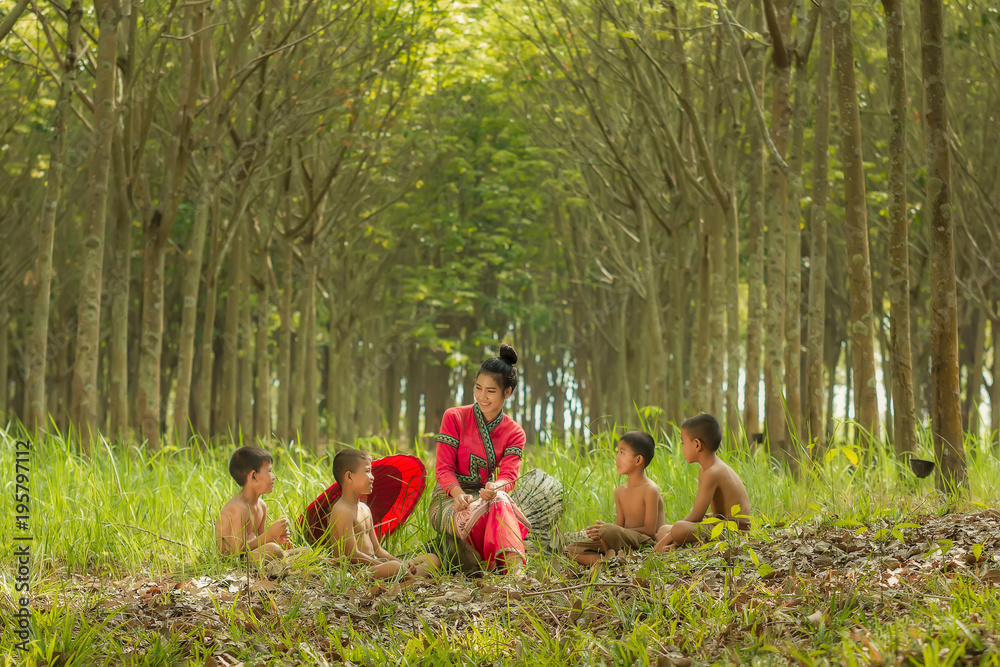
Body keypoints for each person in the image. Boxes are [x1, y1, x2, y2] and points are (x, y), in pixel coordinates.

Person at [429, 343, 530, 573]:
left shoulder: (515, 432)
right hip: (449, 500)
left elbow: (509, 476)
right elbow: (443, 469)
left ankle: (515, 573)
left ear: (507, 392)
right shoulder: (454, 417)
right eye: (478, 388)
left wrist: (495, 487)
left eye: (491, 391)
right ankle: (512, 568)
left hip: (488, 498)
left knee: (501, 500)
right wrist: (458, 494)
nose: (482, 397)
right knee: (496, 507)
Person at [326, 449, 440, 580]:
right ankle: (407, 580)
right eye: (367, 471)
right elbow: (352, 555)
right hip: (359, 572)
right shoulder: (342, 510)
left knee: (432, 558)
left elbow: (377, 549)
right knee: (396, 568)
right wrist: (388, 564)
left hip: (377, 564)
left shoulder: (365, 509)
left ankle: (407, 579)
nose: (372, 477)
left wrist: (399, 561)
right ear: (349, 477)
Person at [654, 413, 752, 551]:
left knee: (677, 529)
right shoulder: (705, 470)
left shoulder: (713, 472)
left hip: (734, 531)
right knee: (664, 530)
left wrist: (663, 541)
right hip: (717, 522)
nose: (681, 448)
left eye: (683, 443)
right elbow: (698, 518)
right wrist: (669, 535)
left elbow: (696, 515)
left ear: (697, 444)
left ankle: (675, 545)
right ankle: (679, 544)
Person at [566, 431, 665, 565]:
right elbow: (619, 527)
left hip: (645, 542)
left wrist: (609, 529)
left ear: (638, 460)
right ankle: (610, 559)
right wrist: (603, 533)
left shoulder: (650, 489)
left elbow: (650, 530)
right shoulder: (620, 491)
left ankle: (616, 556)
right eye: (618, 452)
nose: (616, 457)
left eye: (622, 453)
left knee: (609, 530)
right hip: (621, 540)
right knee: (571, 549)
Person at [215, 446, 300, 563]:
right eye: (269, 471)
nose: (274, 476)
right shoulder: (238, 508)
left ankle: (285, 560)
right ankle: (287, 561)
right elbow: (237, 550)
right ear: (253, 476)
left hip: (253, 554)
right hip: (236, 561)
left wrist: (275, 538)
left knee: (305, 551)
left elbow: (262, 541)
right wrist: (270, 535)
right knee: (274, 551)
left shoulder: (261, 506)